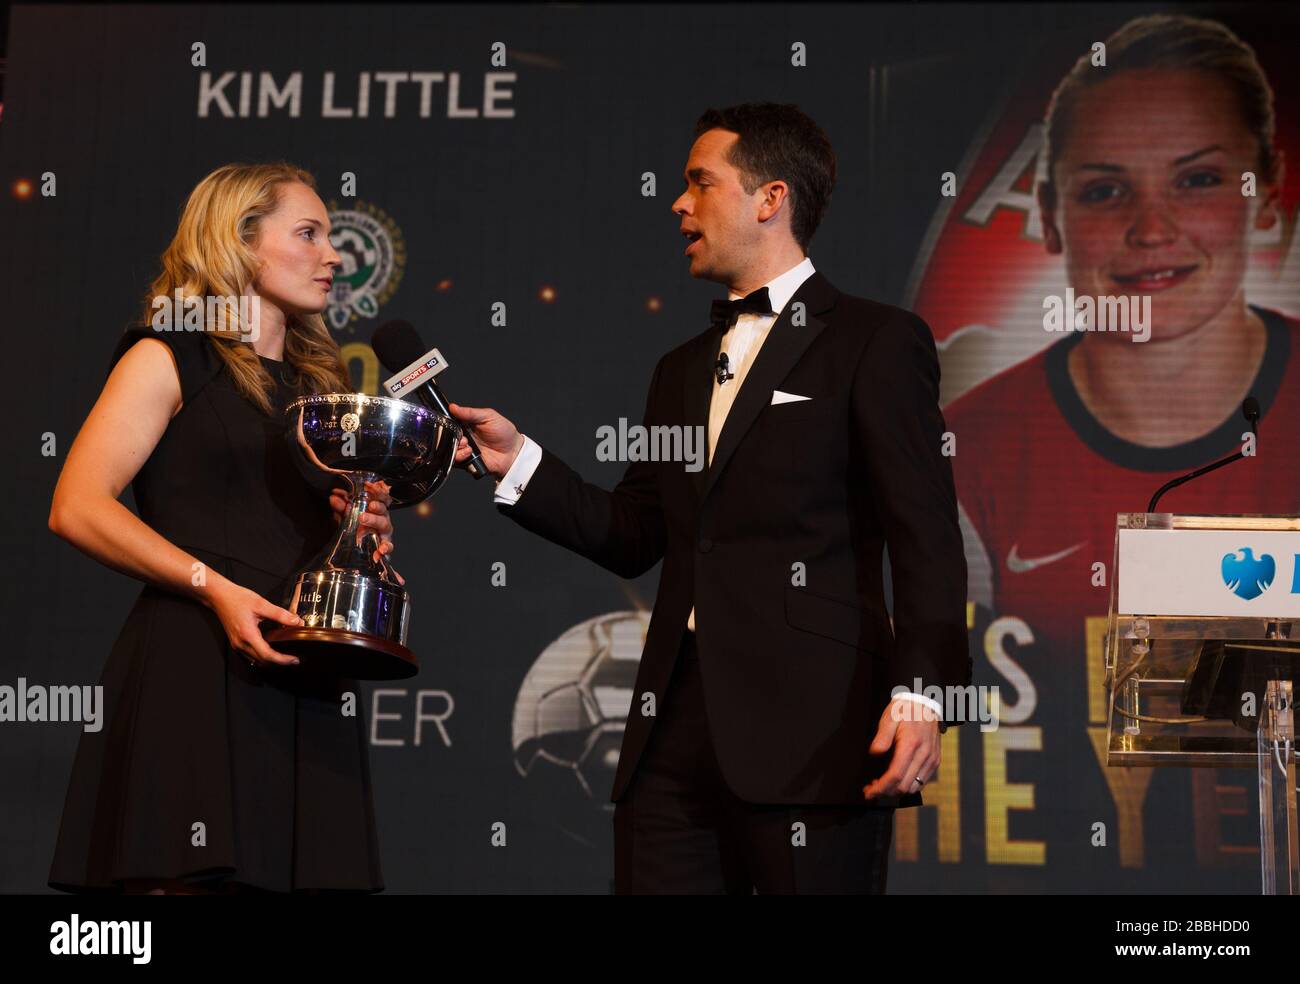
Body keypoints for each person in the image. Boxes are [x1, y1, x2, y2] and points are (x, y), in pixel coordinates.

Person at [450, 103, 970, 893]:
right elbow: (634, 534)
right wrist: (516, 460)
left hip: (817, 731)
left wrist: (923, 692)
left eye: (700, 183)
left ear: (770, 199)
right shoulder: (679, 368)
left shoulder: (877, 340)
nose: (678, 203)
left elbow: (926, 535)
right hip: (670, 737)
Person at [944, 14, 1300, 876]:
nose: (1151, 229)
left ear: (1264, 192)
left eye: (1199, 180)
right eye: (1106, 190)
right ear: (1052, 215)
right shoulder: (965, 454)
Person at [47, 163, 396, 894]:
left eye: (331, 237)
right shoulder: (169, 356)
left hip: (304, 673)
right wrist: (214, 588)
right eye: (309, 234)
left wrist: (356, 536)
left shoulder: (318, 390)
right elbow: (77, 505)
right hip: (197, 666)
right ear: (239, 243)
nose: (334, 255)